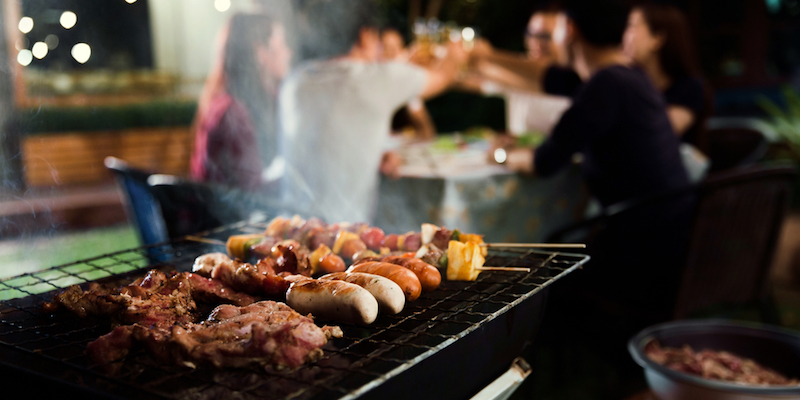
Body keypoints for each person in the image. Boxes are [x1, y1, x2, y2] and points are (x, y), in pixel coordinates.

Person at [503, 1, 695, 397]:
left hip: (642, 260)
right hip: (675, 244)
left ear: (569, 30)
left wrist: (500, 155)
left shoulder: (606, 85)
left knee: (534, 266)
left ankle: (534, 378)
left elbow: (544, 161)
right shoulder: (630, 79)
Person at [278, 0, 464, 224]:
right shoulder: (374, 78)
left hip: (288, 228)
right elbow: (444, 77)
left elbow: (327, 136)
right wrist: (456, 50)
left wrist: (375, 150)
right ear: (366, 36)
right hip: (342, 238)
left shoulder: (296, 80)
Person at [190, 13, 292, 191]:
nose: (288, 53)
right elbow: (252, 194)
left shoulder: (232, 101)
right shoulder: (231, 112)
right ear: (261, 53)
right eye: (281, 44)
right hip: (227, 217)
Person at [463, 7, 580, 134]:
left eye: (544, 36)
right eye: (530, 34)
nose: (535, 42)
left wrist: (488, 56)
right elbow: (472, 80)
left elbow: (544, 77)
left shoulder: (576, 78)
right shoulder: (519, 67)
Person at [623, 3, 713, 151]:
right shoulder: (632, 84)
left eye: (631, 26)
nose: (624, 35)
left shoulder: (689, 88)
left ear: (657, 38)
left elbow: (653, 137)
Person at [381, 27, 437, 140]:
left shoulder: (406, 80)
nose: (394, 54)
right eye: (387, 49)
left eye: (397, 48)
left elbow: (427, 132)